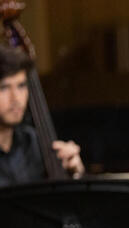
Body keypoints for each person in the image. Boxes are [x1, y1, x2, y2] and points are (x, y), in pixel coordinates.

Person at [0, 44, 84, 186]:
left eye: (21, 86)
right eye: (4, 87)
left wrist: (75, 172)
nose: (16, 98)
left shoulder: (34, 143)